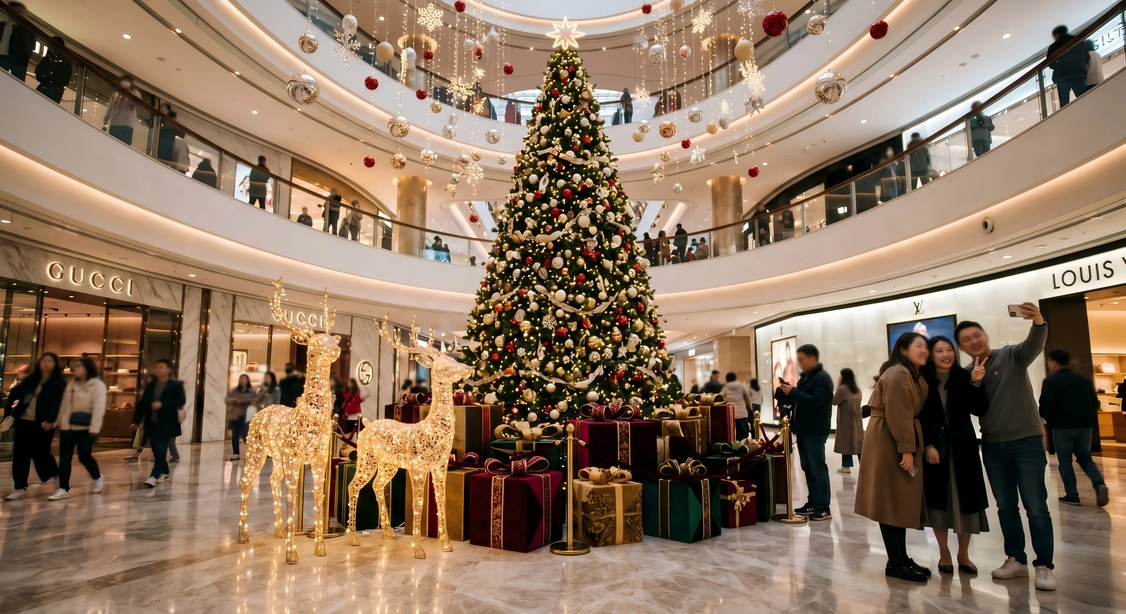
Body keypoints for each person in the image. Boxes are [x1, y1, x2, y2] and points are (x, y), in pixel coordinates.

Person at [954, 302, 1056, 590]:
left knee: (1036, 506)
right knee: (1006, 506)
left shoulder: (1011, 355)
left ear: (984, 336)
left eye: (977, 335)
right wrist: (974, 384)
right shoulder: (966, 373)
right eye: (966, 340)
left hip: (1026, 442)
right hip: (993, 445)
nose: (974, 341)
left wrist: (1038, 320)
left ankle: (1044, 565)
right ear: (962, 347)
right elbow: (971, 408)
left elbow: (1034, 342)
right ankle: (1016, 559)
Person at [855, 333, 931, 582]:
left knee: (896, 501)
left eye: (925, 346)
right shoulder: (899, 372)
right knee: (890, 501)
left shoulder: (906, 372)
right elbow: (898, 412)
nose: (925, 350)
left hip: (892, 437)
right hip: (891, 439)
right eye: (918, 346)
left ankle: (900, 558)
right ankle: (896, 562)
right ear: (903, 349)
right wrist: (906, 448)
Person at [920, 336, 991, 575]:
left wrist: (976, 383)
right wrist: (927, 444)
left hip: (963, 448)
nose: (945, 354)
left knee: (965, 502)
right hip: (935, 450)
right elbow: (919, 416)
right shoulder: (922, 380)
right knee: (939, 503)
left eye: (949, 350)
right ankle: (944, 553)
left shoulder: (964, 377)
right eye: (939, 350)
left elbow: (979, 409)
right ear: (931, 355)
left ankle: (963, 554)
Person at [1039, 349, 1108, 507]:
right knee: (1085, 458)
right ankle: (1099, 484)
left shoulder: (1051, 381)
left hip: (1063, 427)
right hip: (1085, 426)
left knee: (1065, 461)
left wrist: (1046, 417)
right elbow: (1094, 403)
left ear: (1053, 362)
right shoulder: (1083, 380)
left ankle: (1072, 495)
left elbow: (1046, 406)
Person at [774, 344, 834, 521]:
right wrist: (788, 394)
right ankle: (813, 502)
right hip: (802, 429)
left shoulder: (823, 378)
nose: (799, 363)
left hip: (815, 430)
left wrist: (794, 392)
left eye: (802, 359)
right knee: (807, 468)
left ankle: (824, 506)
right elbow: (800, 399)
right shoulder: (805, 378)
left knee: (818, 469)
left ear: (812, 358)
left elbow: (815, 401)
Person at [4, 352, 64, 500]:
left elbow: (59, 403)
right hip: (24, 422)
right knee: (20, 455)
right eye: (44, 360)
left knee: (42, 454)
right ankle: (20, 487)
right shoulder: (31, 380)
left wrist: (51, 420)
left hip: (43, 424)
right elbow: (15, 393)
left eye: (50, 361)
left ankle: (60, 483)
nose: (46, 363)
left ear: (55, 364)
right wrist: (11, 414)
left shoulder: (58, 383)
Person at [49, 356, 105, 500]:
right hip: (68, 427)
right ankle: (63, 488)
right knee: (64, 458)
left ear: (87, 368)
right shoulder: (71, 385)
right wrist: (57, 422)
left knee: (84, 456)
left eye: (79, 366)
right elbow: (64, 405)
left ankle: (97, 476)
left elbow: (99, 408)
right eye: (76, 366)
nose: (76, 369)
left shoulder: (97, 386)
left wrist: (94, 427)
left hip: (86, 428)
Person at [132, 359, 185, 488]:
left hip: (167, 423)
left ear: (168, 370)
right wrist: (136, 421)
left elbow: (180, 401)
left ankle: (153, 476)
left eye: (161, 367)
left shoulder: (176, 385)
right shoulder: (152, 385)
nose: (158, 370)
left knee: (161, 450)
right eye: (157, 368)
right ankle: (165, 472)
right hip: (152, 423)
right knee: (156, 451)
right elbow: (143, 404)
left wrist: (162, 404)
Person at [1047, 25, 1090, 106]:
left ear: (1057, 34)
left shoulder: (1054, 46)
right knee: (1084, 100)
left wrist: (1059, 66)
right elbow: (1087, 58)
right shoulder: (1079, 42)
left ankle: (1066, 118)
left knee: (1064, 104)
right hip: (1079, 74)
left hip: (1062, 77)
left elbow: (1050, 64)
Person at [833, 368, 863, 473]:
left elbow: (834, 401)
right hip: (857, 419)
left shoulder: (842, 389)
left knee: (845, 442)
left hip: (845, 419)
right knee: (858, 442)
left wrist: (838, 385)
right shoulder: (857, 389)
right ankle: (863, 464)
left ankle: (846, 465)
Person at [0, 3, 34, 81]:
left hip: (17, 61)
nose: (19, 14)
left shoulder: (27, 30)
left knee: (16, 82)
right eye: (17, 11)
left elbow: (29, 46)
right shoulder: (2, 25)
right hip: (2, 57)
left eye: (21, 12)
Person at [102, 74, 139, 146]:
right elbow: (110, 108)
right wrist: (105, 120)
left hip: (127, 124)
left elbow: (135, 104)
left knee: (125, 146)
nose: (125, 82)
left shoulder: (136, 93)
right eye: (123, 81)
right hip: (114, 124)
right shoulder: (115, 94)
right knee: (112, 145)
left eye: (127, 81)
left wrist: (127, 93)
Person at [225, 374, 255, 461]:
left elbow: (256, 400)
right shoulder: (235, 390)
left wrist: (244, 401)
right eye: (241, 379)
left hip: (246, 416)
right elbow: (227, 399)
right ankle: (236, 453)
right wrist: (235, 400)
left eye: (244, 379)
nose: (243, 381)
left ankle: (251, 452)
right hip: (235, 415)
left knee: (245, 434)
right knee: (235, 435)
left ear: (247, 380)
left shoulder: (251, 391)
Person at [34, 37, 72, 104]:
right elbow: (40, 71)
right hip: (44, 87)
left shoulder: (65, 61)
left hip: (54, 90)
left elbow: (65, 79)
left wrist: (51, 78)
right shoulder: (48, 57)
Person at [722, 372, 754, 441]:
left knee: (731, 433)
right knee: (743, 433)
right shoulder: (741, 386)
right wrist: (749, 408)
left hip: (730, 413)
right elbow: (747, 397)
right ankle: (743, 446)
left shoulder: (724, 388)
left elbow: (722, 401)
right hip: (742, 413)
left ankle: (733, 446)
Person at [156, 103, 187, 173]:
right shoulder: (160, 127)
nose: (161, 112)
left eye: (163, 110)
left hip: (166, 157)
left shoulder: (171, 127)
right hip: (161, 156)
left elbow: (182, 134)